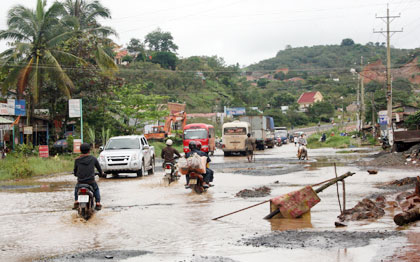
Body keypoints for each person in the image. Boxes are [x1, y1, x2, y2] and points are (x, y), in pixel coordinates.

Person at [73, 143, 103, 210]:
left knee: (76, 188)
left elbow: (75, 171)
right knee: (96, 189)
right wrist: (101, 174)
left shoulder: (77, 160)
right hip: (91, 182)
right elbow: (99, 169)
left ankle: (76, 200)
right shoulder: (93, 159)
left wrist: (76, 174)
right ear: (89, 150)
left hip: (80, 182)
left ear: (80, 150)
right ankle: (98, 203)